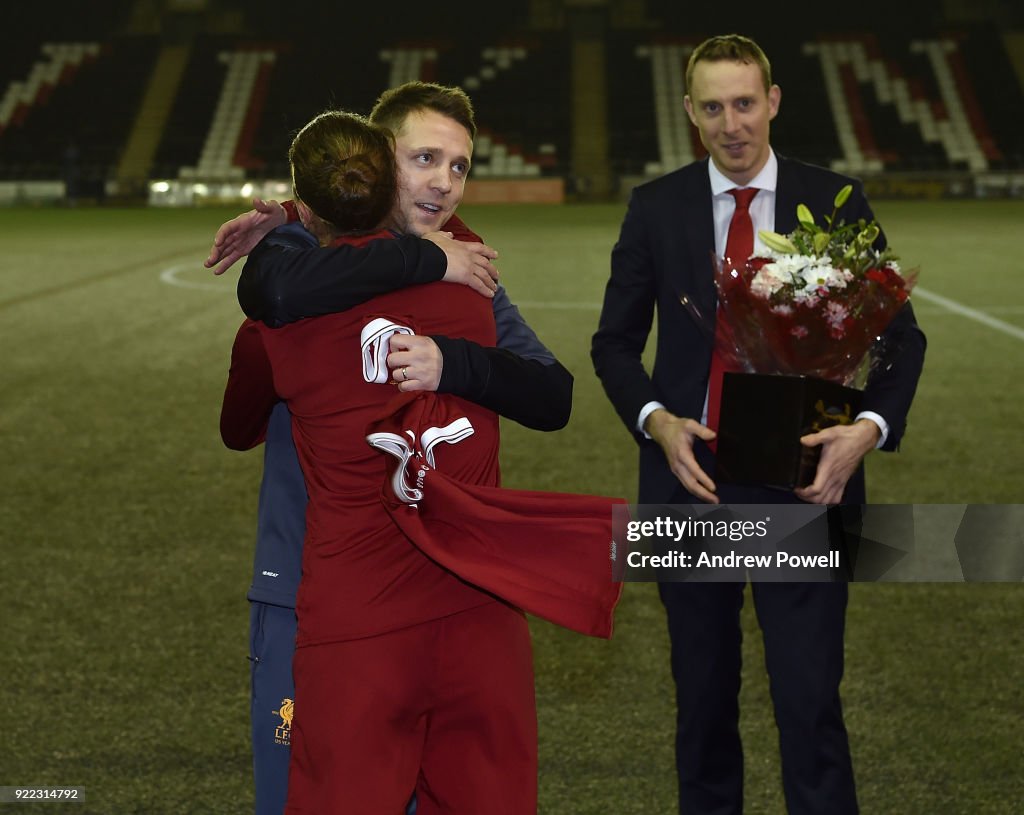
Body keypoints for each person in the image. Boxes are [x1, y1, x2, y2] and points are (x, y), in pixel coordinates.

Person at [216, 86, 619, 814]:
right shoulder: (298, 256)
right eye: (425, 158)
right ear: (375, 158)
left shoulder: (467, 265)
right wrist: (291, 219)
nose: (443, 180)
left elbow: (552, 395)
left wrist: (451, 361)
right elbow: (269, 292)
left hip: (448, 595)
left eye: (459, 166)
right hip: (310, 588)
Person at [590, 34, 926, 815]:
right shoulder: (656, 206)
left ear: (773, 101)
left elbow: (899, 339)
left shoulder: (834, 200)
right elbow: (612, 343)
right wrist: (657, 422)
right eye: (712, 107)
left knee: (811, 708)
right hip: (690, 483)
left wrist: (867, 427)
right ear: (689, 113)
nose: (730, 123)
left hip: (807, 485)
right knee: (702, 711)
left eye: (745, 103)